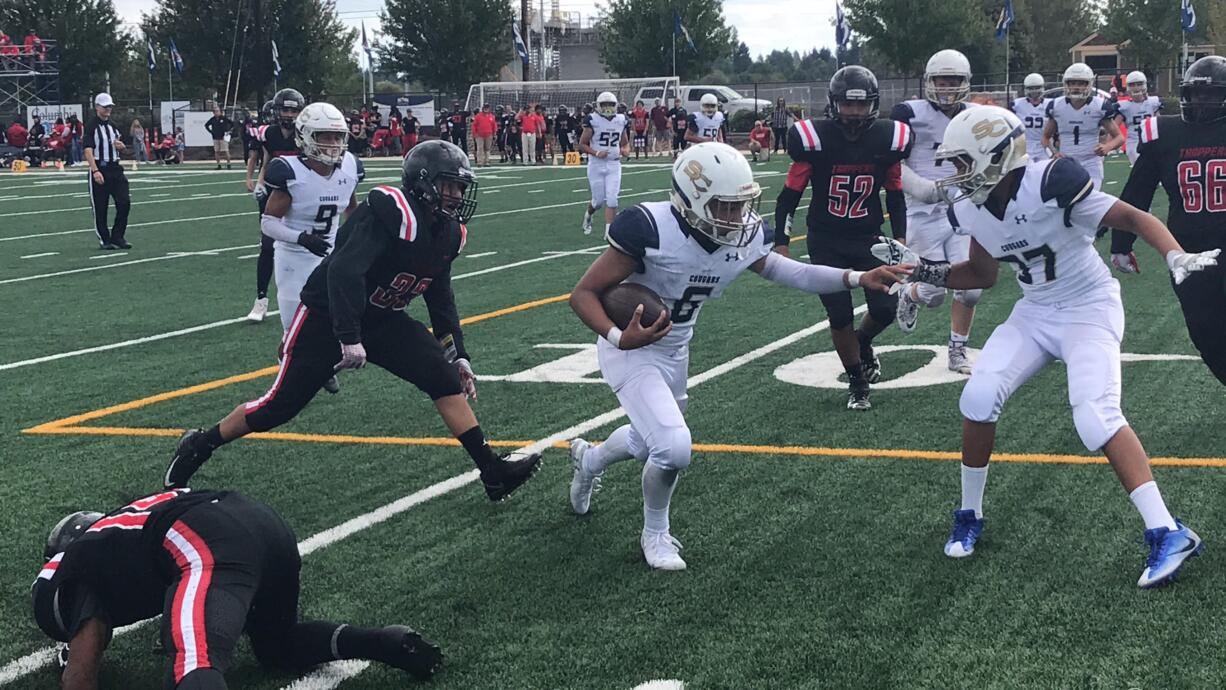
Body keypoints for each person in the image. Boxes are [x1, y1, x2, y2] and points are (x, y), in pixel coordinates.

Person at [875, 105, 1216, 587]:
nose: (954, 174)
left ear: (997, 158)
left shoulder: (1053, 180)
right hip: (1036, 309)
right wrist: (923, 272)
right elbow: (981, 275)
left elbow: (1136, 217)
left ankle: (1168, 530)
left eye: (962, 162)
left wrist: (1174, 254)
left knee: (1095, 416)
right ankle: (969, 513)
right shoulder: (973, 206)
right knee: (976, 397)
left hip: (1088, 306)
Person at [567, 142, 908, 570]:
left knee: (645, 439)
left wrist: (857, 276)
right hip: (632, 349)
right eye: (724, 207)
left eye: (741, 206)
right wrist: (620, 337)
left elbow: (793, 271)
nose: (736, 218)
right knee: (673, 448)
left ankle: (589, 459)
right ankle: (656, 533)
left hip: (676, 349)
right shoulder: (648, 227)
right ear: (689, 200)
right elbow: (582, 294)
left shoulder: (743, 233)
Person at [164, 140, 542, 502]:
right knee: (278, 406)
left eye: (460, 188)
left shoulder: (449, 232)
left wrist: (457, 353)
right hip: (327, 316)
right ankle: (200, 444)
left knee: (442, 377)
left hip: (383, 318)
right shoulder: (389, 209)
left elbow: (439, 294)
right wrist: (347, 335)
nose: (456, 197)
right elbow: (343, 271)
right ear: (423, 184)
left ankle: (491, 471)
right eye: (449, 186)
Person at [32, 489, 444, 689]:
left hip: (204, 539)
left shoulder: (70, 562)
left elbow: (87, 618)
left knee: (196, 660)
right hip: (264, 523)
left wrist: (78, 674)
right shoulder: (125, 525)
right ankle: (383, 643)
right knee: (276, 644)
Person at [773, 66, 914, 411]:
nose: (854, 112)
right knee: (840, 314)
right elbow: (789, 195)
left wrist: (899, 239)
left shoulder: (886, 140)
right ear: (834, 105)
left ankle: (863, 341)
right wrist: (782, 242)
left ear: (873, 105)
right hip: (826, 239)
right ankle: (857, 382)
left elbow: (895, 195)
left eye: (861, 105)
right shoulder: (816, 140)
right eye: (847, 105)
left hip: (868, 237)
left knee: (885, 308)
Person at [1109, 55, 1226, 385]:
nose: (1201, 102)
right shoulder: (1167, 132)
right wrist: (1121, 243)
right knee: (1205, 333)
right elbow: (1138, 189)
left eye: (1212, 94)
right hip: (1186, 250)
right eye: (1195, 94)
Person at [259, 102, 362, 396]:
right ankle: (284, 380)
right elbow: (268, 223)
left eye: (336, 136)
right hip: (295, 258)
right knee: (294, 331)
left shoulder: (351, 166)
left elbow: (351, 211)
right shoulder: (289, 170)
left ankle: (321, 367)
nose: (332, 144)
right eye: (324, 136)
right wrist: (301, 238)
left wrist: (356, 242)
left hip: (330, 256)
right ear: (304, 136)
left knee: (334, 319)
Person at [889, 49, 980, 375]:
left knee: (970, 287)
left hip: (959, 210)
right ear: (930, 81)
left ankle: (957, 351)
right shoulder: (908, 113)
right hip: (920, 213)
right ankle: (909, 295)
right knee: (933, 293)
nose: (947, 86)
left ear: (965, 82)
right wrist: (923, 189)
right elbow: (893, 162)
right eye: (942, 79)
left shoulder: (975, 115)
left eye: (954, 80)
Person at [245, 88, 305, 323]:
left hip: (300, 194)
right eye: (286, 109)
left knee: (304, 245)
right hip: (274, 193)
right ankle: (261, 300)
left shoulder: (304, 133)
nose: (289, 114)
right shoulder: (269, 133)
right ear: (277, 110)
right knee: (268, 245)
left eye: (293, 110)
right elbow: (267, 161)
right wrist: (258, 181)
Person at [1041, 62, 1123, 190]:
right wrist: (1053, 154)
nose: (1076, 87)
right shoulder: (1056, 106)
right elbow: (1045, 138)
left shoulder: (1098, 106)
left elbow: (1119, 137)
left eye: (1081, 83)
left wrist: (1108, 147)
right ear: (1066, 84)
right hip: (1066, 163)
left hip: (1091, 162)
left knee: (1091, 199)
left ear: (1089, 84)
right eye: (1072, 83)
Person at [84, 93, 132, 250]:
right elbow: (88, 149)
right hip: (100, 167)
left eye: (110, 106)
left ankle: (118, 236)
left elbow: (120, 146)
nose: (108, 109)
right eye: (105, 107)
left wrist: (122, 147)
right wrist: (95, 170)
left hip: (115, 168)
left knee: (124, 202)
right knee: (100, 206)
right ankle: (105, 239)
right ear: (97, 107)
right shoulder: (91, 125)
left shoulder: (113, 125)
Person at [579, 92, 630, 236]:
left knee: (613, 200)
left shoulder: (621, 120)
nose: (607, 108)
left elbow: (625, 143)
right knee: (598, 201)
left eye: (610, 104)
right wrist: (596, 153)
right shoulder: (592, 120)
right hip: (596, 164)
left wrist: (625, 150)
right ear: (598, 106)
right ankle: (588, 215)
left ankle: (609, 233)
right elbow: (582, 144)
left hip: (614, 164)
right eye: (604, 105)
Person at [1113, 70, 1163, 167]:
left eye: (1139, 84)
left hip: (1151, 140)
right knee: (1142, 169)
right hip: (1134, 142)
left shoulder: (1153, 102)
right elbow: (1114, 126)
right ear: (1127, 87)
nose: (1136, 88)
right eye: (1132, 85)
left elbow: (1160, 123)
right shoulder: (1124, 106)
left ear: (1144, 85)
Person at [1009, 73, 1050, 162]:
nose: (1034, 91)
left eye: (1036, 87)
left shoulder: (1050, 105)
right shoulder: (1017, 105)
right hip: (1025, 144)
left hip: (1044, 145)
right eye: (1031, 88)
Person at [204, 105, 235, 169]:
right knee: (217, 151)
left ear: (220, 112)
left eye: (217, 111)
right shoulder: (212, 119)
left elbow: (232, 124)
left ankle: (229, 164)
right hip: (215, 137)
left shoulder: (223, 118)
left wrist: (229, 131)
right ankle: (219, 165)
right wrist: (211, 132)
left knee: (226, 150)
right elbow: (206, 125)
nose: (216, 112)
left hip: (223, 137)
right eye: (215, 111)